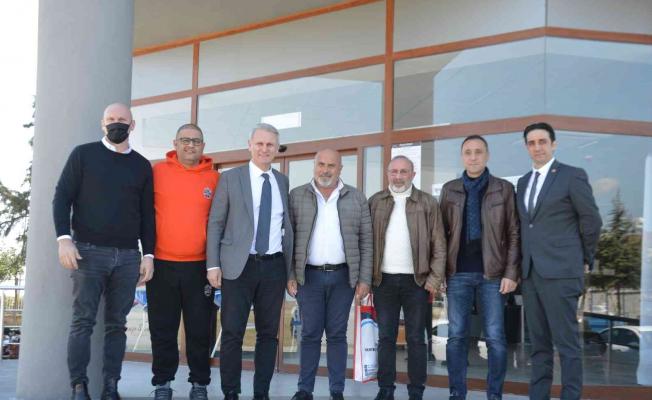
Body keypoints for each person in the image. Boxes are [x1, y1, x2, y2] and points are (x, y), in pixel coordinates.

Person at [53, 103, 155, 400]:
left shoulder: (141, 165)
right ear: (102, 124)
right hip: (87, 253)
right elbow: (62, 197)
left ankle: (111, 387)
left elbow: (147, 214)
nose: (116, 123)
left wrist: (148, 254)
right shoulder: (83, 155)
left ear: (132, 125)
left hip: (128, 257)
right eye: (111, 119)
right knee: (83, 322)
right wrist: (64, 239)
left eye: (122, 119)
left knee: (117, 326)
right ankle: (78, 387)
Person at [206, 123, 293, 400]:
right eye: (260, 144)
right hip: (238, 267)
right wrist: (213, 264)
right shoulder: (231, 178)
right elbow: (216, 223)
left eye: (270, 145)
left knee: (268, 335)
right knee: (233, 332)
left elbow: (285, 227)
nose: (265, 149)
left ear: (276, 149)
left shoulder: (282, 181)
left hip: (274, 267)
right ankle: (231, 391)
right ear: (250, 145)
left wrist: (290, 271)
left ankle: (261, 392)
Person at [517, 122, 602, 400]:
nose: (537, 147)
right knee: (538, 346)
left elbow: (591, 221)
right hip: (531, 275)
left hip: (562, 273)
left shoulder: (571, 176)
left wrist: (584, 258)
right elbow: (526, 226)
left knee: (567, 345)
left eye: (542, 141)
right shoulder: (523, 182)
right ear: (526, 147)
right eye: (532, 143)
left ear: (553, 144)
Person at [286, 149, 372, 400]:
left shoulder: (356, 197)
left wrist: (364, 278)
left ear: (340, 168)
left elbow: (366, 241)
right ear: (314, 166)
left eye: (331, 166)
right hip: (308, 277)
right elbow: (288, 240)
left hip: (343, 277)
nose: (325, 170)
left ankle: (337, 391)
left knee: (336, 335)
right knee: (310, 334)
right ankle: (305, 390)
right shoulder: (297, 196)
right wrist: (290, 274)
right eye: (321, 164)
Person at [439, 135, 520, 400]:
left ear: (487, 155)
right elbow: (440, 236)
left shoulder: (503, 189)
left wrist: (511, 272)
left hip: (493, 274)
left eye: (478, 152)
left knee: (495, 337)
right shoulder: (449, 190)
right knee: (456, 337)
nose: (473, 157)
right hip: (457, 274)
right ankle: (457, 394)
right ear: (462, 156)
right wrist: (440, 272)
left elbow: (513, 232)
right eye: (468, 152)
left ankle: (494, 395)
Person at [148, 124, 220, 400]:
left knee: (199, 329)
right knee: (162, 328)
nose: (191, 145)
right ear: (175, 143)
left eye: (196, 141)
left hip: (200, 267)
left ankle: (199, 383)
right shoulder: (157, 172)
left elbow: (221, 221)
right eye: (185, 140)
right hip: (161, 265)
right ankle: (162, 383)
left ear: (203, 146)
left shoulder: (215, 178)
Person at [369, 155, 446, 400]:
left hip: (417, 282)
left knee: (416, 339)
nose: (398, 176)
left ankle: (416, 391)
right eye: (394, 171)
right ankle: (386, 390)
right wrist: (366, 279)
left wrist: (434, 279)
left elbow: (439, 244)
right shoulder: (375, 201)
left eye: (404, 171)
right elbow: (365, 243)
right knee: (386, 337)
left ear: (413, 174)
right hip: (383, 281)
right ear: (387, 173)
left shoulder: (427, 202)